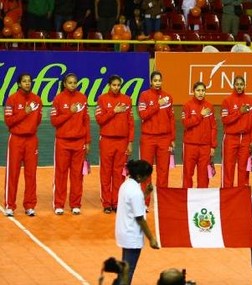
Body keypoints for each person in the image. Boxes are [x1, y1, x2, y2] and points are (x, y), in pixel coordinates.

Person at [50, 73, 91, 215]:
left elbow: (86, 121)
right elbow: (54, 121)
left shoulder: (82, 98)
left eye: (75, 82)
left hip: (79, 142)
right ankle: (59, 204)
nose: (73, 85)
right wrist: (69, 112)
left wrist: (88, 141)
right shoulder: (58, 99)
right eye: (70, 82)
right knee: (60, 174)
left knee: (77, 175)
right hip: (62, 142)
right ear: (65, 84)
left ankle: (75, 204)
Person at [115, 159, 160, 285]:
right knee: (127, 272)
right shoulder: (135, 191)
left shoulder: (127, 185)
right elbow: (139, 218)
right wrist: (151, 238)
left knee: (124, 270)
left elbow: (133, 204)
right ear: (139, 176)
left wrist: (146, 193)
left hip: (124, 231)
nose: (147, 179)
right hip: (132, 235)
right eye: (146, 176)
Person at [3, 73, 42, 217]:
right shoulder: (12, 99)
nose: (27, 83)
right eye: (24, 81)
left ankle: (30, 206)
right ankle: (10, 205)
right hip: (16, 140)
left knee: (31, 174)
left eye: (29, 81)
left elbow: (37, 120)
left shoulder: (37, 100)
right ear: (19, 84)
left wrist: (29, 127)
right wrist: (24, 113)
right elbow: (9, 121)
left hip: (31, 140)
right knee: (13, 173)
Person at [95, 75, 134, 214]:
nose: (116, 87)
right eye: (114, 85)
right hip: (107, 140)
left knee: (119, 173)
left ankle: (116, 202)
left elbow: (131, 123)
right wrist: (114, 111)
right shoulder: (102, 99)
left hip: (122, 142)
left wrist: (130, 142)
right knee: (106, 173)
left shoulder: (127, 100)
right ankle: (106, 203)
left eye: (118, 85)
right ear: (109, 85)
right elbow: (99, 119)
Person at [137, 71, 175, 207]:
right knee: (146, 170)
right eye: (155, 80)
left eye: (160, 80)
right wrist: (157, 104)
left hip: (164, 139)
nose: (158, 83)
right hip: (148, 138)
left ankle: (162, 202)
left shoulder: (168, 97)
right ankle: (145, 202)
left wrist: (172, 138)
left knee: (163, 170)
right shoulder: (144, 96)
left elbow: (171, 119)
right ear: (151, 82)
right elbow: (142, 114)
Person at [221, 76, 252, 188]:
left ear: (245, 85)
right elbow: (225, 120)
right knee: (228, 167)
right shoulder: (227, 101)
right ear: (233, 85)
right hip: (231, 138)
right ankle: (226, 192)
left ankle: (242, 193)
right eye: (237, 84)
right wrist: (239, 112)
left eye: (241, 84)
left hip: (245, 139)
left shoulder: (251, 101)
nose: (239, 86)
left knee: (244, 167)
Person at [181, 82, 217, 188]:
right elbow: (186, 123)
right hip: (190, 146)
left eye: (203, 90)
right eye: (198, 90)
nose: (201, 93)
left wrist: (213, 146)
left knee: (203, 176)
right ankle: (187, 198)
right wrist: (200, 116)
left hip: (205, 147)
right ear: (193, 91)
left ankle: (202, 200)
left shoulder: (209, 106)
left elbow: (213, 127)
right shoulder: (187, 106)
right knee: (188, 174)